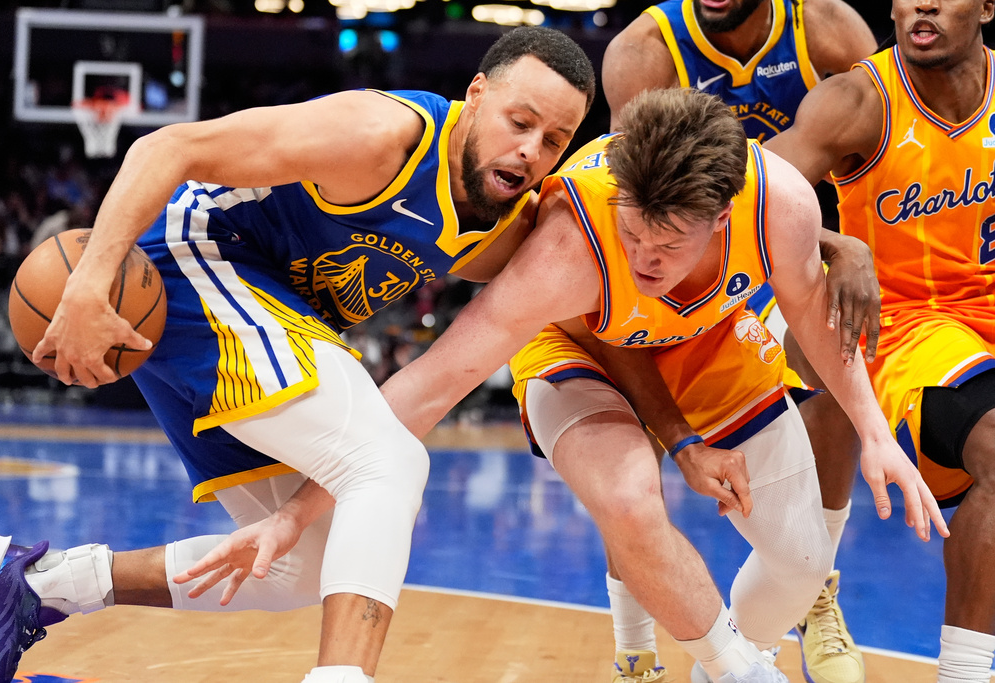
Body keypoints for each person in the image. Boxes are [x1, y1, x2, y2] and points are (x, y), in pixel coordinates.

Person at [180, 88, 949, 683]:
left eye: (667, 243)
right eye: (633, 231)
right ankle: (730, 666)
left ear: (721, 216)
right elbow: (433, 382)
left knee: (804, 562)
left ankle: (731, 654)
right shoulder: (569, 247)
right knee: (628, 496)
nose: (644, 257)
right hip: (579, 344)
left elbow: (814, 318)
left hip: (706, 341)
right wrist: (300, 511)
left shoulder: (781, 204)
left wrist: (874, 433)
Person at [0, 27, 595, 683]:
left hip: (263, 308)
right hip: (194, 259)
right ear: (477, 94)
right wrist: (91, 283)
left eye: (554, 140)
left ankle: (34, 583)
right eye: (519, 121)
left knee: (304, 562)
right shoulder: (380, 136)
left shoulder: (505, 226)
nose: (531, 150)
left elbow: (588, 273)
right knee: (386, 460)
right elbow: (168, 146)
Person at [600, 2, 879, 680]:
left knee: (836, 356)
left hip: (782, 249)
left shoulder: (828, 28)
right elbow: (635, 200)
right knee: (628, 430)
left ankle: (816, 593)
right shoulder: (646, 49)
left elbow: (872, 158)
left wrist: (846, 246)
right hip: (674, 255)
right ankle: (634, 647)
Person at [761, 0, 995, 679]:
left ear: (985, 7)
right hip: (906, 324)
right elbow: (742, 191)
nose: (923, 3)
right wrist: (836, 243)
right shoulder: (858, 101)